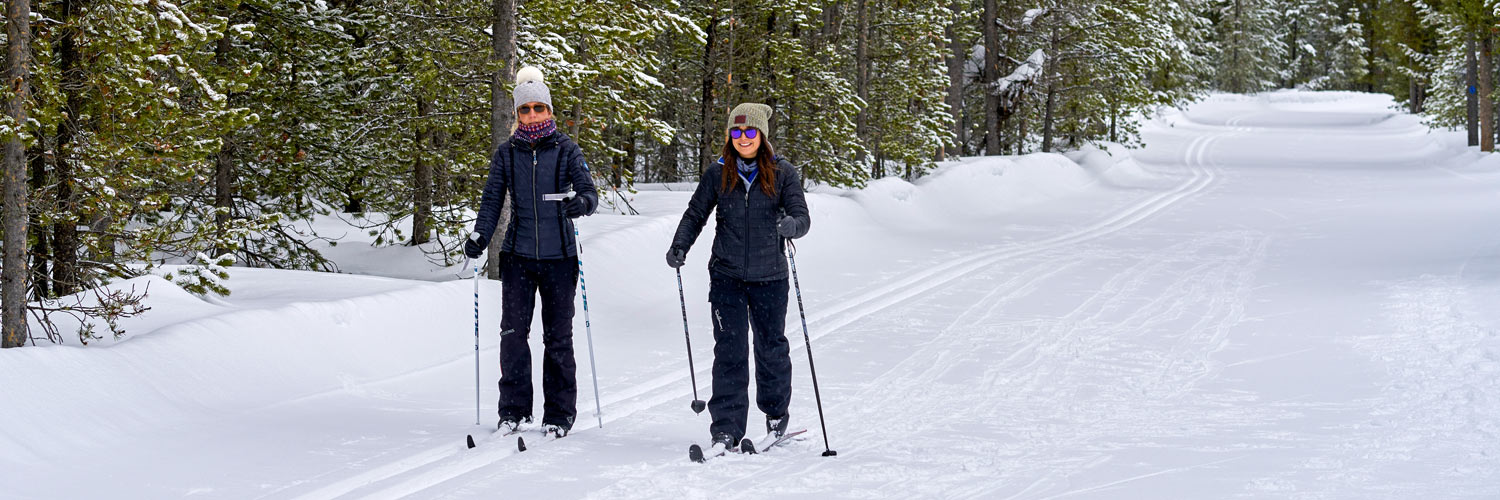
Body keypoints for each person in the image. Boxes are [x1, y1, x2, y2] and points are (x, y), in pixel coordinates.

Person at [666, 102, 811, 449]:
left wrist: (792, 225)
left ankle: (776, 416)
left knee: (771, 348)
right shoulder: (718, 173)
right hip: (727, 275)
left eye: (749, 132)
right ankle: (727, 427)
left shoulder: (783, 172)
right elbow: (695, 214)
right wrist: (679, 245)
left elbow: (802, 217)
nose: (743, 138)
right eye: (736, 132)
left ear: (761, 135)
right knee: (729, 351)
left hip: (770, 276)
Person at [465, 66, 598, 437]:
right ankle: (514, 411)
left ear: (550, 111)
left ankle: (558, 414)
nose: (533, 114)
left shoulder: (567, 149)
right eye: (526, 109)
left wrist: (581, 203)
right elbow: (492, 200)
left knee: (558, 339)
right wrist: (480, 235)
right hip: (518, 256)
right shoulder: (508, 154)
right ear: (518, 114)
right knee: (513, 333)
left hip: (560, 258)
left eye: (539, 108)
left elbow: (589, 192)